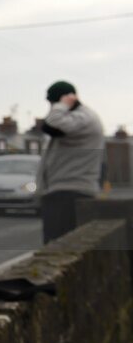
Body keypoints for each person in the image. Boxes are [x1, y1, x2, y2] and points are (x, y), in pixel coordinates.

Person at [36, 80, 105, 244]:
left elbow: (52, 123)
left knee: (58, 248)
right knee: (58, 246)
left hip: (70, 191)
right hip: (64, 191)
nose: (51, 108)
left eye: (52, 103)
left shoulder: (83, 117)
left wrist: (61, 105)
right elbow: (49, 128)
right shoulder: (76, 118)